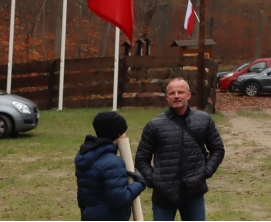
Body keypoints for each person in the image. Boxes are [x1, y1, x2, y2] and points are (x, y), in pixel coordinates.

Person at [135, 77, 225, 221]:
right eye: (172, 93)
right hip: (163, 195)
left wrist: (205, 172)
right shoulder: (154, 125)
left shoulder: (204, 120)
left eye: (180, 92)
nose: (176, 96)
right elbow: (141, 159)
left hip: (193, 193)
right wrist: (153, 180)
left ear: (188, 95)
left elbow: (218, 149)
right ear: (167, 97)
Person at [75, 111, 146, 221]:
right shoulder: (113, 163)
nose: (125, 135)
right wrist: (139, 183)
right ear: (117, 134)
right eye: (123, 132)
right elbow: (119, 200)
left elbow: (82, 196)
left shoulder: (86, 156)